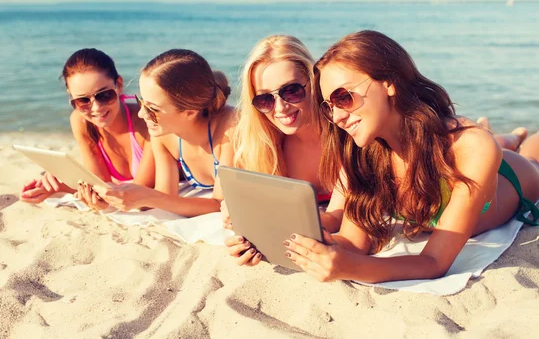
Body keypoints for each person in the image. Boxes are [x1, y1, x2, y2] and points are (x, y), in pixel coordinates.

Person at [283, 30, 539, 283]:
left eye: (344, 97)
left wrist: (353, 268)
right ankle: (512, 136)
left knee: (532, 161)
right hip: (466, 157)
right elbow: (352, 245)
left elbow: (434, 263)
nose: (337, 116)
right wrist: (294, 242)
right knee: (494, 142)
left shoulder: (472, 147)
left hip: (512, 179)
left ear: (389, 83)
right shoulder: (363, 152)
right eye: (328, 107)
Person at [223, 35, 344, 266]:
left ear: (313, 81)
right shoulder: (264, 144)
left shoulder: (342, 134)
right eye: (265, 99)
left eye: (291, 91)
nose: (280, 107)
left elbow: (336, 218)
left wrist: (267, 221)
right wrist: (239, 222)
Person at [94, 49, 236, 217]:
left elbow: (220, 204)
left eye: (153, 109)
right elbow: (166, 196)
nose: (141, 114)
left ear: (190, 112)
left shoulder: (230, 129)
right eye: (141, 103)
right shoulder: (163, 136)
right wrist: (114, 199)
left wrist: (149, 197)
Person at [20, 48, 155, 208]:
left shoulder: (146, 122)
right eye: (83, 100)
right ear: (71, 95)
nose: (96, 108)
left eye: (104, 95)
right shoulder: (81, 121)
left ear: (119, 85)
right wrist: (57, 186)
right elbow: (101, 184)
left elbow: (139, 194)